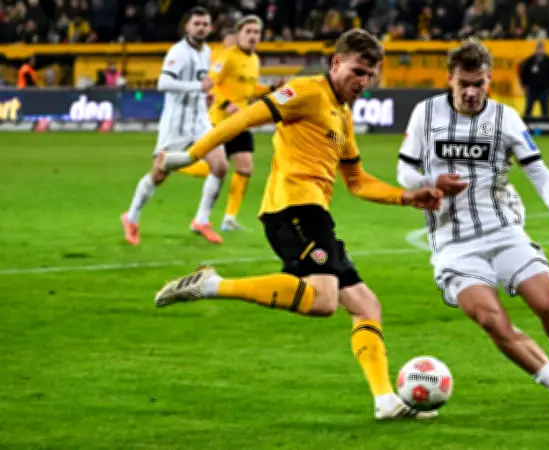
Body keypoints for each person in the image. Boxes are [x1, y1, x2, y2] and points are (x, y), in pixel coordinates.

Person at [151, 29, 444, 419]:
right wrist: (190, 155)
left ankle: (385, 400)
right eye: (357, 71)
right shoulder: (306, 91)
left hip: (316, 215)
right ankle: (212, 284)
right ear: (336, 63)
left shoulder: (342, 116)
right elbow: (246, 117)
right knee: (323, 301)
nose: (363, 82)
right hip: (292, 209)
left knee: (366, 305)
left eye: (370, 75)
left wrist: (406, 196)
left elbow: (356, 181)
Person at [396, 38, 549, 414]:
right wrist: (429, 182)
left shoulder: (505, 118)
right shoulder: (425, 114)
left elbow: (537, 170)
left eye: (479, 84)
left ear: (489, 79)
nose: (471, 92)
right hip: (454, 242)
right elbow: (404, 171)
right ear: (450, 79)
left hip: (504, 231)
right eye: (464, 84)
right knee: (493, 320)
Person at [120, 7, 226, 246]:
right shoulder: (178, 52)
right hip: (176, 125)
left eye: (205, 24)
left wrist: (205, 97)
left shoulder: (207, 52)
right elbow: (164, 82)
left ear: (210, 28)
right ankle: (131, 217)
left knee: (220, 165)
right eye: (196, 23)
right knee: (159, 174)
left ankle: (201, 220)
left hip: (200, 121)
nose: (201, 28)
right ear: (187, 26)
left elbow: (199, 83)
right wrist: (197, 88)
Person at [207, 15, 273, 231]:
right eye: (248, 32)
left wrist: (271, 89)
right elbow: (210, 83)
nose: (253, 36)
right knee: (212, 168)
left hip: (240, 122)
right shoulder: (227, 56)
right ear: (239, 34)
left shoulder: (255, 60)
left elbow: (250, 89)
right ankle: (175, 164)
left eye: (256, 32)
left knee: (245, 167)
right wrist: (226, 103)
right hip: (220, 120)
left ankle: (229, 219)